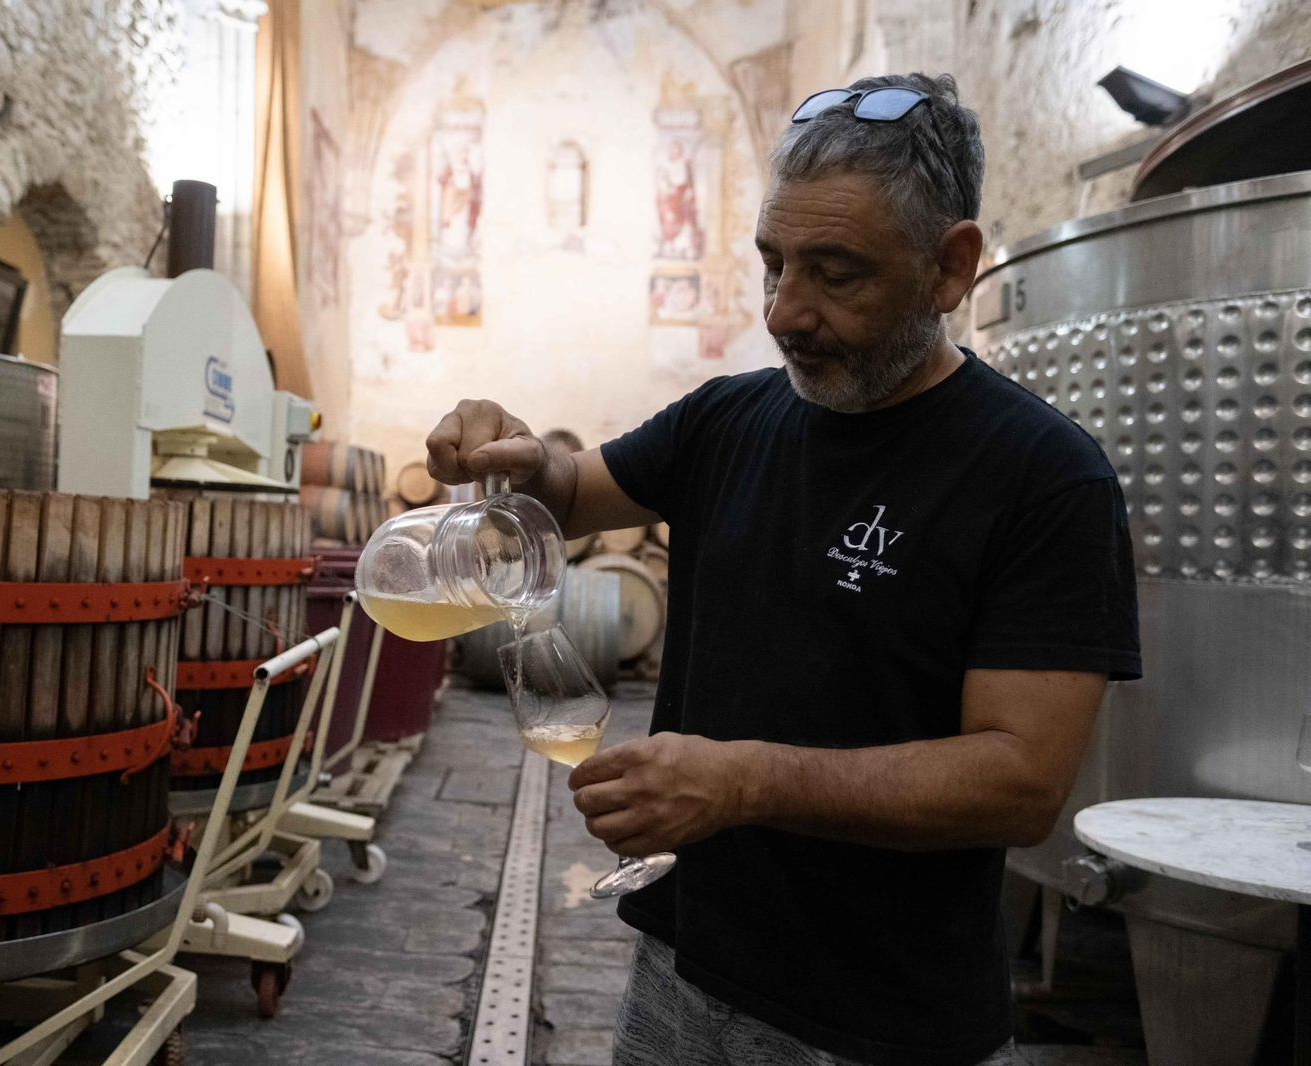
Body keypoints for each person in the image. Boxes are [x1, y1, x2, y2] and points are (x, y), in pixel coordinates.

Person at [424, 72, 1140, 1066]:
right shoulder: (729, 419)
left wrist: (747, 778)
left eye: (834, 272)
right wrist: (512, 451)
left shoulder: (1043, 477)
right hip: (685, 972)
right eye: (772, 263)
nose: (783, 311)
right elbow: (574, 488)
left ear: (950, 267)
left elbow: (1017, 783)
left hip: (884, 1024)